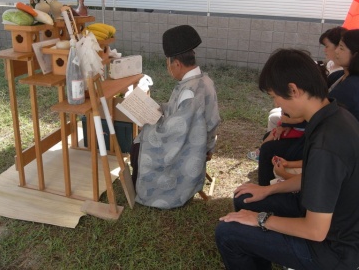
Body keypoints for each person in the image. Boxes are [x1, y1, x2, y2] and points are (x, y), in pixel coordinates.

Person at [215, 48, 359, 270]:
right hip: (324, 219)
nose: (276, 105)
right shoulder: (335, 114)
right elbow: (315, 177)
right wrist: (267, 190)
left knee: (228, 232)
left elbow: (315, 231)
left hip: (332, 251)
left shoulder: (326, 142)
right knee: (245, 199)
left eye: (275, 97)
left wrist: (261, 220)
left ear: (293, 89)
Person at [130, 25, 220, 209]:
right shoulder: (204, 80)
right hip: (204, 139)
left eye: (168, 64)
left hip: (191, 147)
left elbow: (174, 132)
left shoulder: (189, 92)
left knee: (138, 146)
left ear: (177, 64)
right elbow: (185, 117)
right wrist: (160, 109)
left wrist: (146, 126)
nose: (168, 68)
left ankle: (148, 191)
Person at [329, 29, 359, 121]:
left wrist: (294, 121)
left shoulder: (352, 86)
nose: (336, 51)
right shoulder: (337, 75)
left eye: (341, 48)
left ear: (355, 55)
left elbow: (324, 112)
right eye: (338, 45)